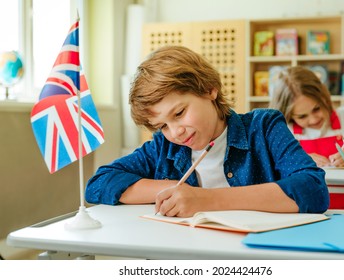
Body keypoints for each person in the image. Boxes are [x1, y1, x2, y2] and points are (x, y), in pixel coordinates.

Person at [85, 46, 329, 217]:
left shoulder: (263, 127)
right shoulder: (164, 146)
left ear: (209, 90)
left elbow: (313, 189)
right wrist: (173, 191)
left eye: (179, 113)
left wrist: (205, 199)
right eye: (163, 126)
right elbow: (98, 184)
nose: (175, 132)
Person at [269, 65, 344, 168]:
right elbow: (271, 165)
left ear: (324, 96)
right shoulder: (284, 128)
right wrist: (301, 159)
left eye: (317, 108)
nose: (313, 119)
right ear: (288, 115)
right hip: (304, 193)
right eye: (302, 116)